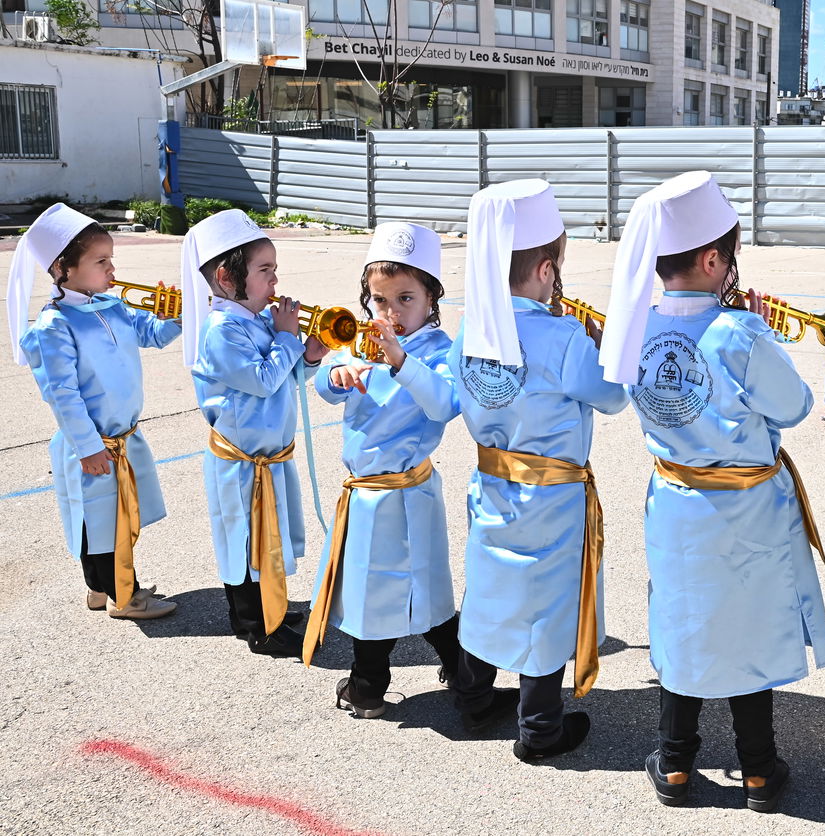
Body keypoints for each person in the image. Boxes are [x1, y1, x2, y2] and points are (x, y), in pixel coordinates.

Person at [598, 171, 825, 813]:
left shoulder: (637, 326)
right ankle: (758, 770)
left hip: (676, 502)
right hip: (745, 507)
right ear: (711, 259)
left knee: (685, 625)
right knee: (746, 633)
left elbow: (623, 395)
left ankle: (675, 764)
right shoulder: (737, 332)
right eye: (730, 255)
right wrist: (760, 333)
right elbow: (795, 406)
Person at [450, 179, 628, 761]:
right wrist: (602, 347)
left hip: (492, 486)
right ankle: (540, 730)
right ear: (547, 271)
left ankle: (474, 696)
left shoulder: (468, 336)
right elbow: (611, 397)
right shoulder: (563, 337)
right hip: (550, 496)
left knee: (491, 587)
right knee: (544, 604)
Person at [303, 222, 461, 718]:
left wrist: (400, 362)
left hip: (405, 490)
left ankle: (378, 682)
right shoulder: (363, 339)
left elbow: (444, 404)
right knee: (375, 589)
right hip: (365, 492)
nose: (389, 313)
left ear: (432, 298)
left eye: (405, 298)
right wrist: (336, 371)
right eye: (378, 299)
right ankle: (453, 671)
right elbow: (325, 390)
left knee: (419, 586)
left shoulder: (439, 350)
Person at [9, 203, 180, 620]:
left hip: (121, 438)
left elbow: (151, 335)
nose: (111, 269)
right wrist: (87, 446)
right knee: (108, 524)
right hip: (93, 443)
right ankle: (128, 596)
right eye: (100, 261)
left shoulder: (113, 305)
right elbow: (62, 394)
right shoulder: (55, 326)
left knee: (99, 519)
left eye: (111, 259)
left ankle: (99, 589)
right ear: (63, 269)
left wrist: (172, 316)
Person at [183, 209, 326, 656]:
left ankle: (275, 609)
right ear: (227, 277)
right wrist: (287, 339)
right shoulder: (221, 330)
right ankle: (255, 626)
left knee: (271, 537)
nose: (275, 282)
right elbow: (263, 380)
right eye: (265, 271)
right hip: (241, 464)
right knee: (244, 543)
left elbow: (283, 379)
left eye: (274, 270)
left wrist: (310, 356)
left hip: (269, 456)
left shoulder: (259, 320)